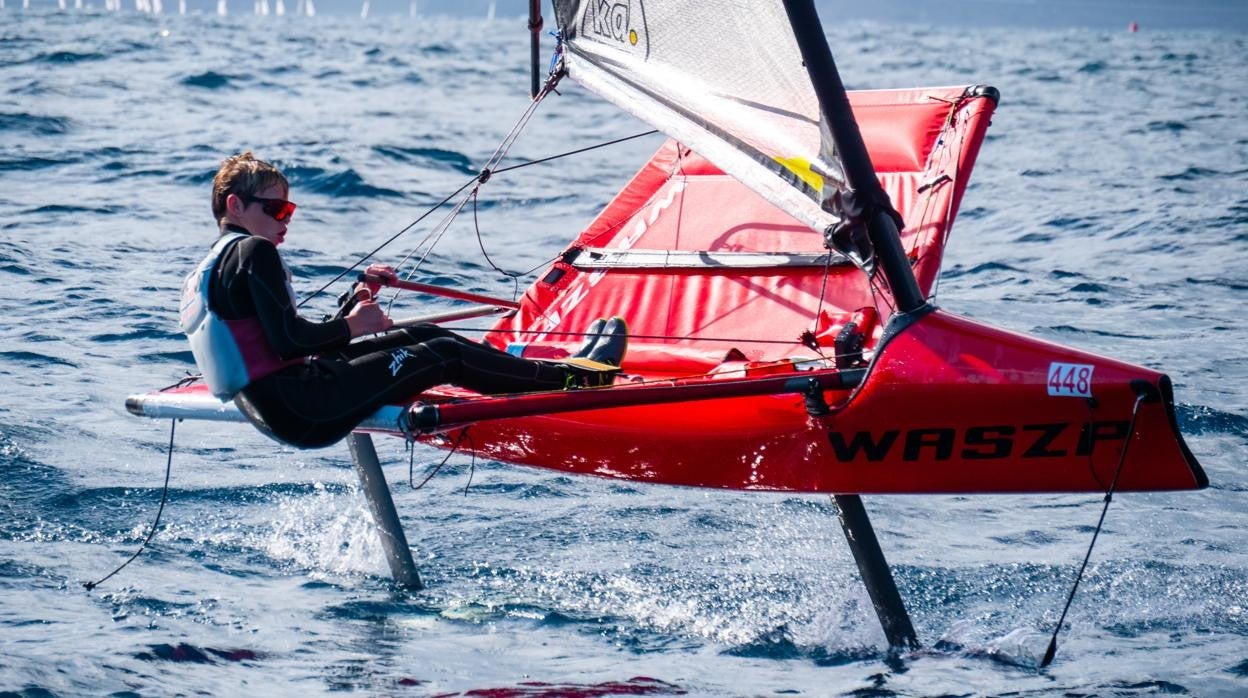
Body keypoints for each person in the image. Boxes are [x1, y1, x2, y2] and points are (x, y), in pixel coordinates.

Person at [179, 152, 626, 449]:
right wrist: (355, 326)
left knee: (423, 334)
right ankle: (576, 381)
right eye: (275, 210)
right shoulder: (253, 251)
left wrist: (357, 300)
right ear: (235, 206)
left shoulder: (214, 264)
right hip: (302, 406)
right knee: (442, 353)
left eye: (289, 210)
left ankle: (563, 369)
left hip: (287, 404)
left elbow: (292, 345)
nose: (285, 219)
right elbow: (291, 341)